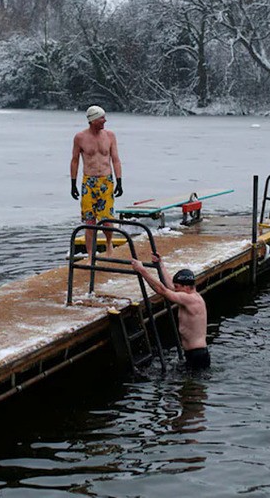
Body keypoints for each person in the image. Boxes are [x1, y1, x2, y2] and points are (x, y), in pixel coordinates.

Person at [129, 254, 210, 370]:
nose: (175, 289)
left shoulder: (192, 300)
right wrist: (160, 265)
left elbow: (162, 290)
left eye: (177, 287)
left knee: (193, 387)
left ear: (186, 287)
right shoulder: (187, 295)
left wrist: (142, 270)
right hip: (192, 353)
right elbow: (169, 287)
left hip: (198, 355)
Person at [70, 105, 123, 257]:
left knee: (107, 220)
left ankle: (108, 244)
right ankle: (90, 254)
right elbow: (74, 161)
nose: (104, 121)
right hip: (89, 182)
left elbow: (116, 159)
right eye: (101, 118)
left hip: (106, 181)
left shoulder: (110, 135)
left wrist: (119, 181)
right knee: (89, 221)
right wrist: (73, 184)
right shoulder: (80, 137)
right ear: (93, 120)